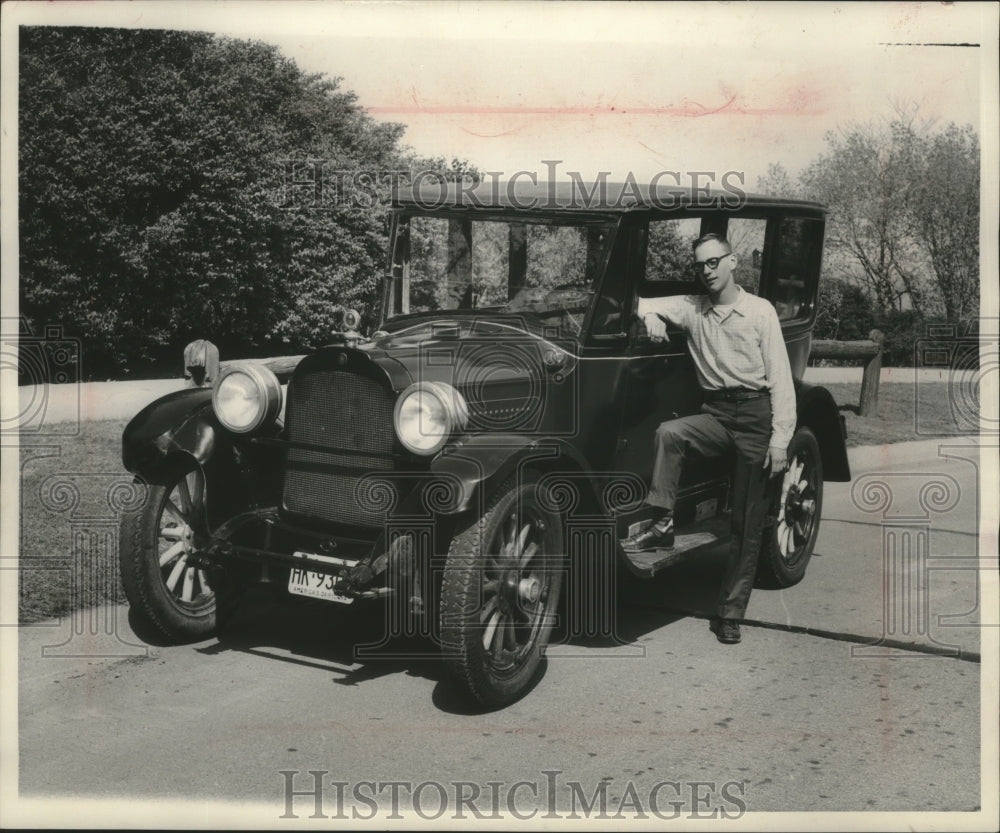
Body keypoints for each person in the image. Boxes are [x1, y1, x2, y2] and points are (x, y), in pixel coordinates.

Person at [620, 233, 796, 645]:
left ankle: (730, 613)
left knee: (747, 523)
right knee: (670, 433)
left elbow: (782, 381)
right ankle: (661, 519)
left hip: (757, 417)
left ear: (733, 262)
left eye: (714, 262)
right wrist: (651, 317)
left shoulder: (760, 312)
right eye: (700, 265)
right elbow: (635, 302)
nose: (707, 271)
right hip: (716, 413)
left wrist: (780, 440)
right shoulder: (693, 307)